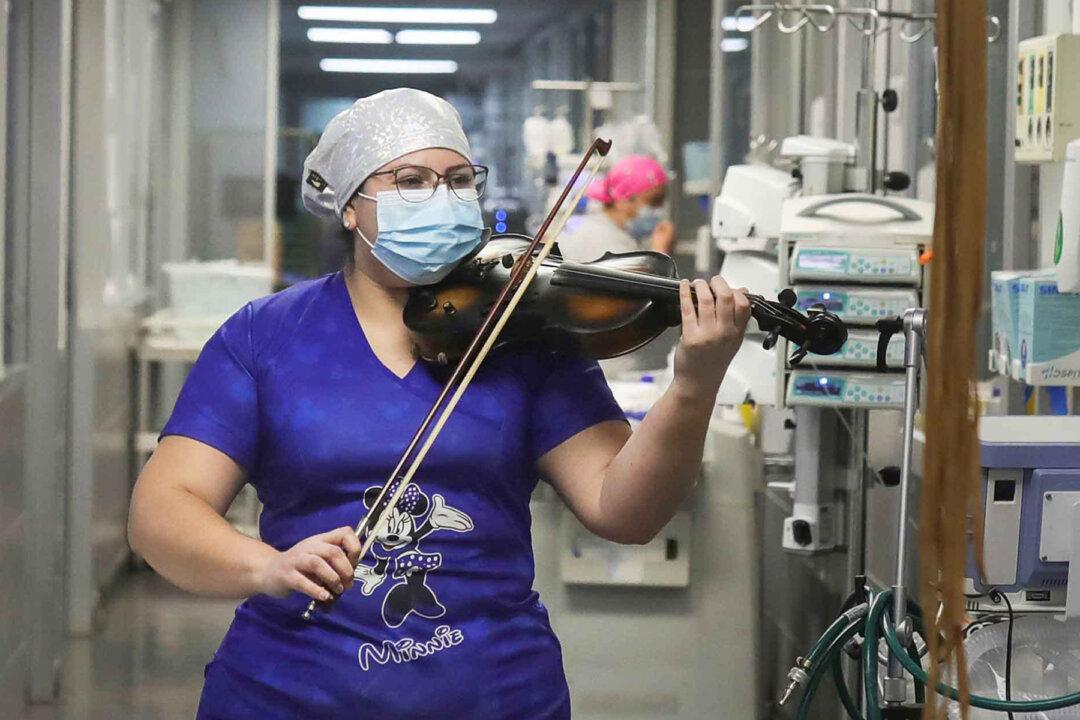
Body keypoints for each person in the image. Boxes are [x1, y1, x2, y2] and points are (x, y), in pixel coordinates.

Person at [128, 88, 750, 720]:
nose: (442, 198)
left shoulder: (521, 335)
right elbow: (162, 512)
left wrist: (693, 387)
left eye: (458, 180)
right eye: (410, 181)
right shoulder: (266, 337)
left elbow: (626, 511)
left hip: (497, 696)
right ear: (351, 208)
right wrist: (267, 567)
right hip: (287, 696)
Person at [558, 153, 676, 263]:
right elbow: (633, 278)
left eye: (661, 201)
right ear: (624, 200)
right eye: (653, 201)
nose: (658, 208)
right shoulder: (603, 241)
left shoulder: (614, 230)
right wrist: (659, 254)